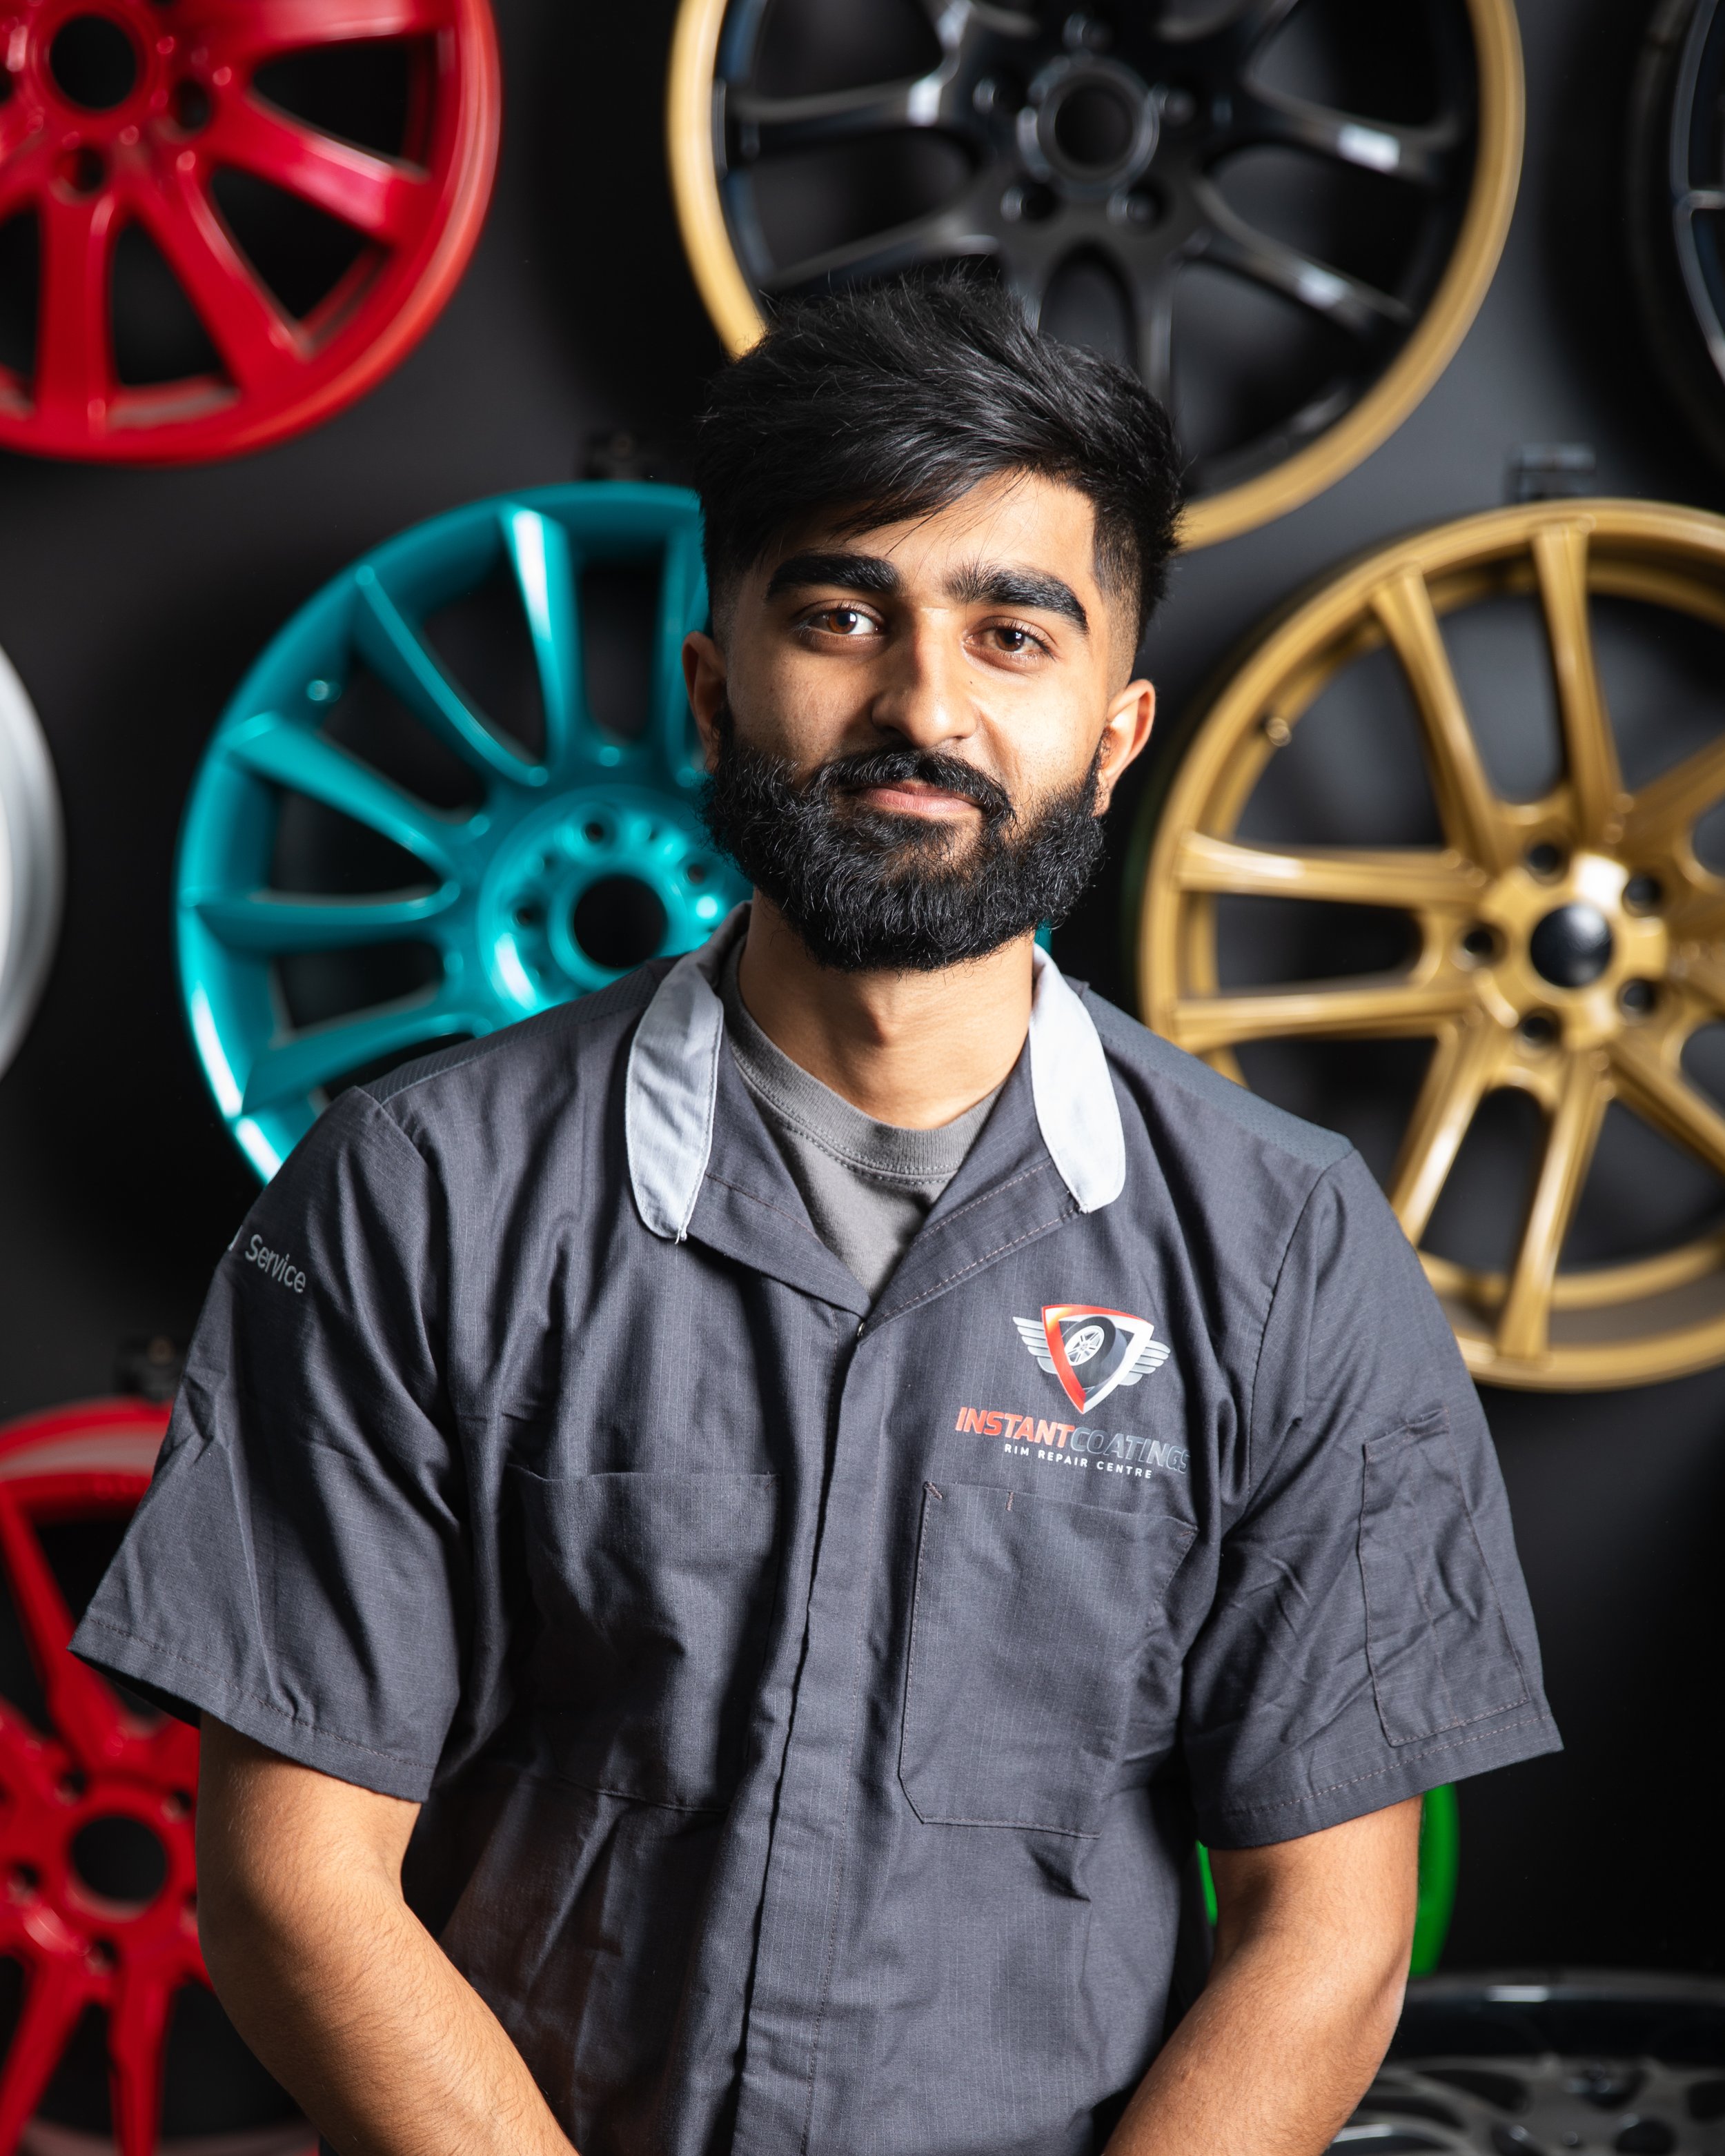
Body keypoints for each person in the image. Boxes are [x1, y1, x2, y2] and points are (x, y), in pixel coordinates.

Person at [74, 279, 1559, 2156]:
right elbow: (294, 1882)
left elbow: (1324, 1934)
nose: (920, 706)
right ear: (713, 687)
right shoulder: (417, 1194)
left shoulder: (1282, 1247)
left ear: (1112, 730)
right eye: (841, 615)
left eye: (1011, 634)